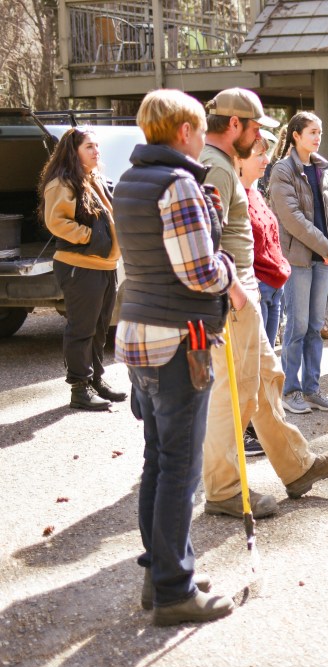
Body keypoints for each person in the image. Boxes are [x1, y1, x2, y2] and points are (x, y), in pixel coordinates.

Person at [113, 88, 242, 625]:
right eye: (197, 128)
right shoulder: (179, 184)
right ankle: (173, 590)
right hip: (178, 338)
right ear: (185, 131)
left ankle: (160, 570)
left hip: (137, 334)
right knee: (179, 468)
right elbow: (200, 273)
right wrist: (229, 270)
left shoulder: (128, 181)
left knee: (156, 462)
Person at [200, 87, 328, 519]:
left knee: (266, 382)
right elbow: (202, 244)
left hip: (240, 292)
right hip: (232, 297)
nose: (260, 140)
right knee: (233, 394)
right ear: (234, 126)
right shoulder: (217, 168)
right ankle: (224, 489)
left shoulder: (224, 166)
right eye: (254, 128)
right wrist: (231, 291)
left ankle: (297, 466)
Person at [39, 127, 126, 410]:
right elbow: (57, 222)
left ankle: (96, 380)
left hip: (105, 265)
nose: (96, 151)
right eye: (89, 146)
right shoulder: (62, 183)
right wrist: (91, 238)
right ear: (73, 151)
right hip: (79, 266)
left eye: (97, 146)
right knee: (82, 329)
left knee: (100, 328)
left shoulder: (94, 179)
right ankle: (79, 388)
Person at [268, 112, 328, 414]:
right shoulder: (282, 171)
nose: (318, 137)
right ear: (296, 135)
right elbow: (293, 220)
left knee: (315, 327)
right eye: (312, 132)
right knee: (297, 327)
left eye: (320, 132)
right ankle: (291, 391)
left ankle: (313, 389)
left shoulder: (323, 170)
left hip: (323, 259)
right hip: (298, 259)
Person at [236, 129, 289, 456]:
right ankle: (245, 430)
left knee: (266, 365)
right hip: (255, 290)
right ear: (239, 160)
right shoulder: (234, 196)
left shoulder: (255, 192)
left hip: (273, 287)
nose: (266, 160)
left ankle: (263, 426)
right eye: (259, 154)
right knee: (251, 366)